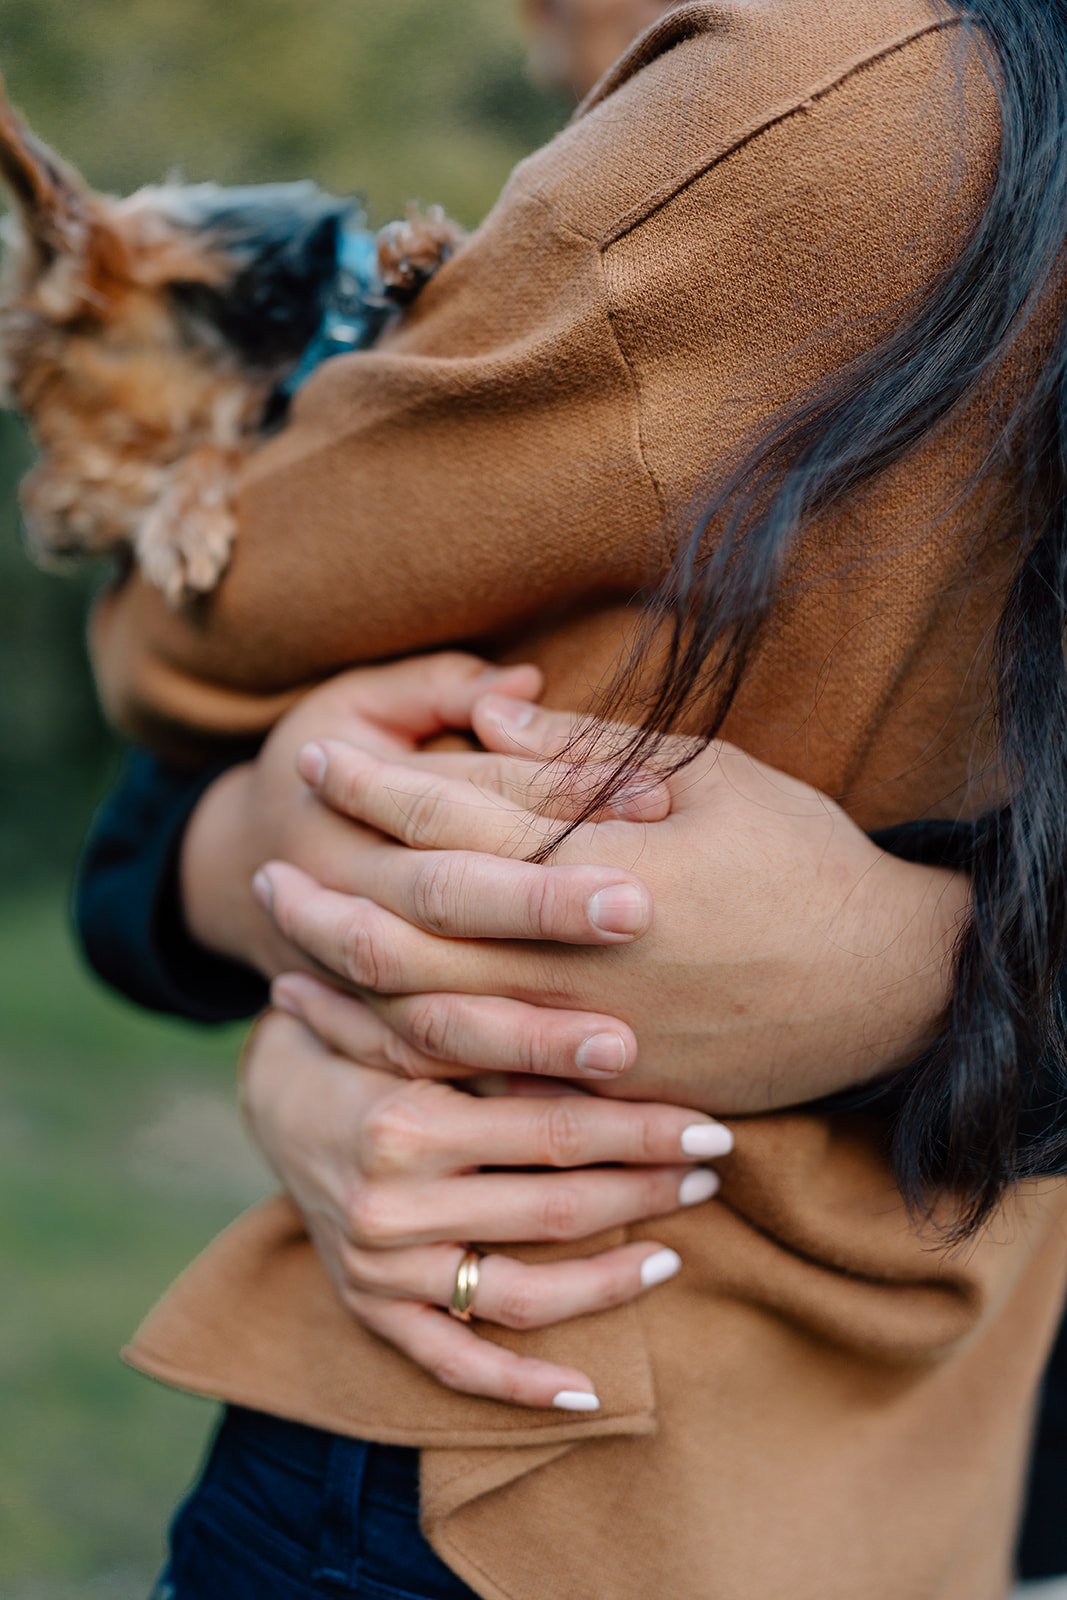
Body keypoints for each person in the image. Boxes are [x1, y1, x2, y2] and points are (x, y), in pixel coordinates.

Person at [69, 0, 1067, 1595]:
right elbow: (169, 843)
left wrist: (926, 967)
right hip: (913, 1449)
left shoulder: (831, 106)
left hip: (540, 1453)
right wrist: (267, 864)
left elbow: (207, 612)